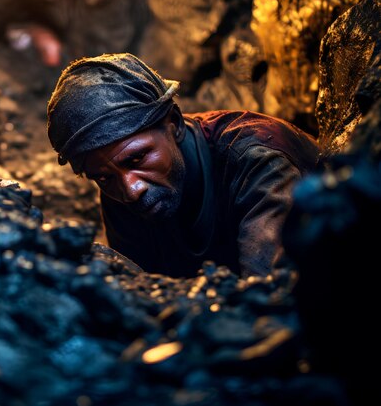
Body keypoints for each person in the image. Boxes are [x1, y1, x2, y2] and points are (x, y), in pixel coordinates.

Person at [46, 53, 320, 278]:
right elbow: (139, 295)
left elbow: (266, 299)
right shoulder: (118, 183)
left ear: (174, 124)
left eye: (137, 158)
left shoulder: (258, 160)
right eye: (103, 178)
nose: (131, 190)